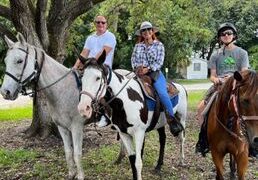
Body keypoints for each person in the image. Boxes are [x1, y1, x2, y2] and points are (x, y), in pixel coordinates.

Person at [195, 22, 250, 156]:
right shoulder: (215, 55)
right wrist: (217, 80)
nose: (226, 36)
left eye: (229, 33)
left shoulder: (242, 53)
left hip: (237, 85)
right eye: (223, 34)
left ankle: (251, 141)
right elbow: (212, 76)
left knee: (250, 105)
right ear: (220, 37)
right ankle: (205, 139)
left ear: (234, 36)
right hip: (219, 86)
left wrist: (232, 80)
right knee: (201, 107)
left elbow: (244, 74)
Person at [131, 21, 184, 136]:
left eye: (148, 29)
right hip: (139, 73)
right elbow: (133, 60)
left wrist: (148, 68)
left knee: (162, 93)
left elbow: (159, 62)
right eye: (143, 30)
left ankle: (172, 120)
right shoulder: (137, 46)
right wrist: (137, 68)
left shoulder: (159, 45)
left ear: (152, 31)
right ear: (141, 33)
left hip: (154, 73)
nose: (146, 32)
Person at [74, 15, 116, 127]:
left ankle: (105, 115)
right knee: (77, 81)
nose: (100, 24)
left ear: (106, 24)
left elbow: (103, 52)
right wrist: (74, 67)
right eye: (98, 22)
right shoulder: (90, 38)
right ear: (95, 24)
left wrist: (89, 63)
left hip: (103, 66)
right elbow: (84, 53)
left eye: (103, 22)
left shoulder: (110, 36)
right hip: (89, 67)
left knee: (101, 88)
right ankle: (82, 108)